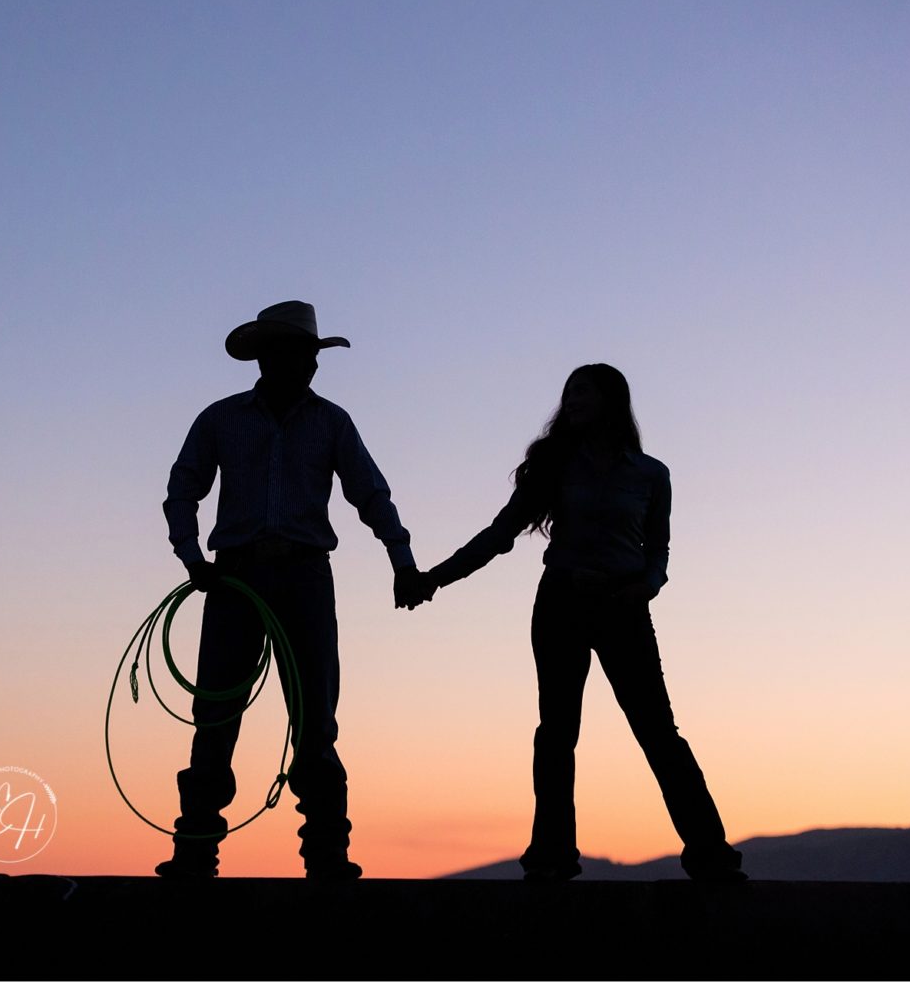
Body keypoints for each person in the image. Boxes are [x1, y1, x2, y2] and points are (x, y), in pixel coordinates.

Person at [401, 364, 746, 882]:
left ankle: (711, 855)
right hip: (562, 602)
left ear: (612, 399)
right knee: (558, 732)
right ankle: (551, 856)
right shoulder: (557, 466)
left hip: (625, 609)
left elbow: (659, 551)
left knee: (657, 731)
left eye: (581, 390)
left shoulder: (652, 474)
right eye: (567, 392)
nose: (570, 400)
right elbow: (501, 533)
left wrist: (647, 586)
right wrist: (435, 578)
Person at [159, 300, 426, 880]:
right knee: (217, 711)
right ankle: (199, 848)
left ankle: (323, 852)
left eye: (310, 355)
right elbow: (183, 488)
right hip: (235, 576)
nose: (307, 364)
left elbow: (370, 494)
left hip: (300, 574)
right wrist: (192, 557)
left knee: (313, 716)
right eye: (297, 353)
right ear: (267, 357)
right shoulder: (222, 419)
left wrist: (401, 559)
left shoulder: (329, 422)